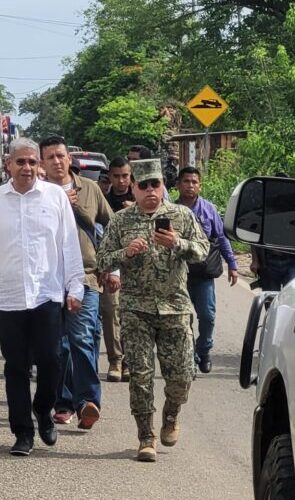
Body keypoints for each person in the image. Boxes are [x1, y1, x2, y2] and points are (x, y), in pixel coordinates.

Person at [0, 137, 85, 456]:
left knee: (52, 359)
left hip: (47, 293)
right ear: (8, 165)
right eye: (21, 162)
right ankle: (22, 432)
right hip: (8, 297)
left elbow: (69, 245)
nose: (27, 168)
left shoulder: (55, 198)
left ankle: (43, 409)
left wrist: (75, 286)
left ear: (40, 165)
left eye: (33, 162)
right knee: (16, 366)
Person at [97, 159, 210, 462]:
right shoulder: (121, 220)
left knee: (182, 376)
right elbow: (102, 260)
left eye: (155, 184)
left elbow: (203, 250)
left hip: (175, 308)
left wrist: (178, 243)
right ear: (133, 187)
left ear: (163, 187)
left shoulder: (181, 216)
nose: (150, 190)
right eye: (143, 185)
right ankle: (145, 437)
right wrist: (125, 252)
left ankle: (171, 415)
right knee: (141, 377)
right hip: (136, 310)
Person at [40, 135, 115, 430]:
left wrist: (112, 268)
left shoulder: (91, 189)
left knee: (82, 338)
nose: (57, 162)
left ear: (69, 159)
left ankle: (88, 402)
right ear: (43, 163)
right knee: (57, 346)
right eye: (51, 157)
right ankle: (63, 402)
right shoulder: (37, 193)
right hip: (48, 279)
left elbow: (111, 226)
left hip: (85, 275)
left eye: (61, 156)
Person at [175, 167, 239, 374]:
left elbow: (221, 238)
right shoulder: (169, 209)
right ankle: (190, 356)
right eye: (186, 181)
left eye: (194, 182)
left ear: (199, 185)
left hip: (203, 273)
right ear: (178, 185)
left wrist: (233, 265)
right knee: (183, 318)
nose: (190, 185)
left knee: (207, 316)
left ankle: (204, 350)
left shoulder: (209, 209)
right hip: (177, 273)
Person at [102, 157, 132, 382]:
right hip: (112, 265)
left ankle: (130, 362)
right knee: (111, 312)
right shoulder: (103, 200)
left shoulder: (143, 197)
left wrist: (136, 212)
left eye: (125, 176)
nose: (121, 181)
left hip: (139, 268)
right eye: (117, 176)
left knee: (132, 316)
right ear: (110, 177)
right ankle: (115, 360)